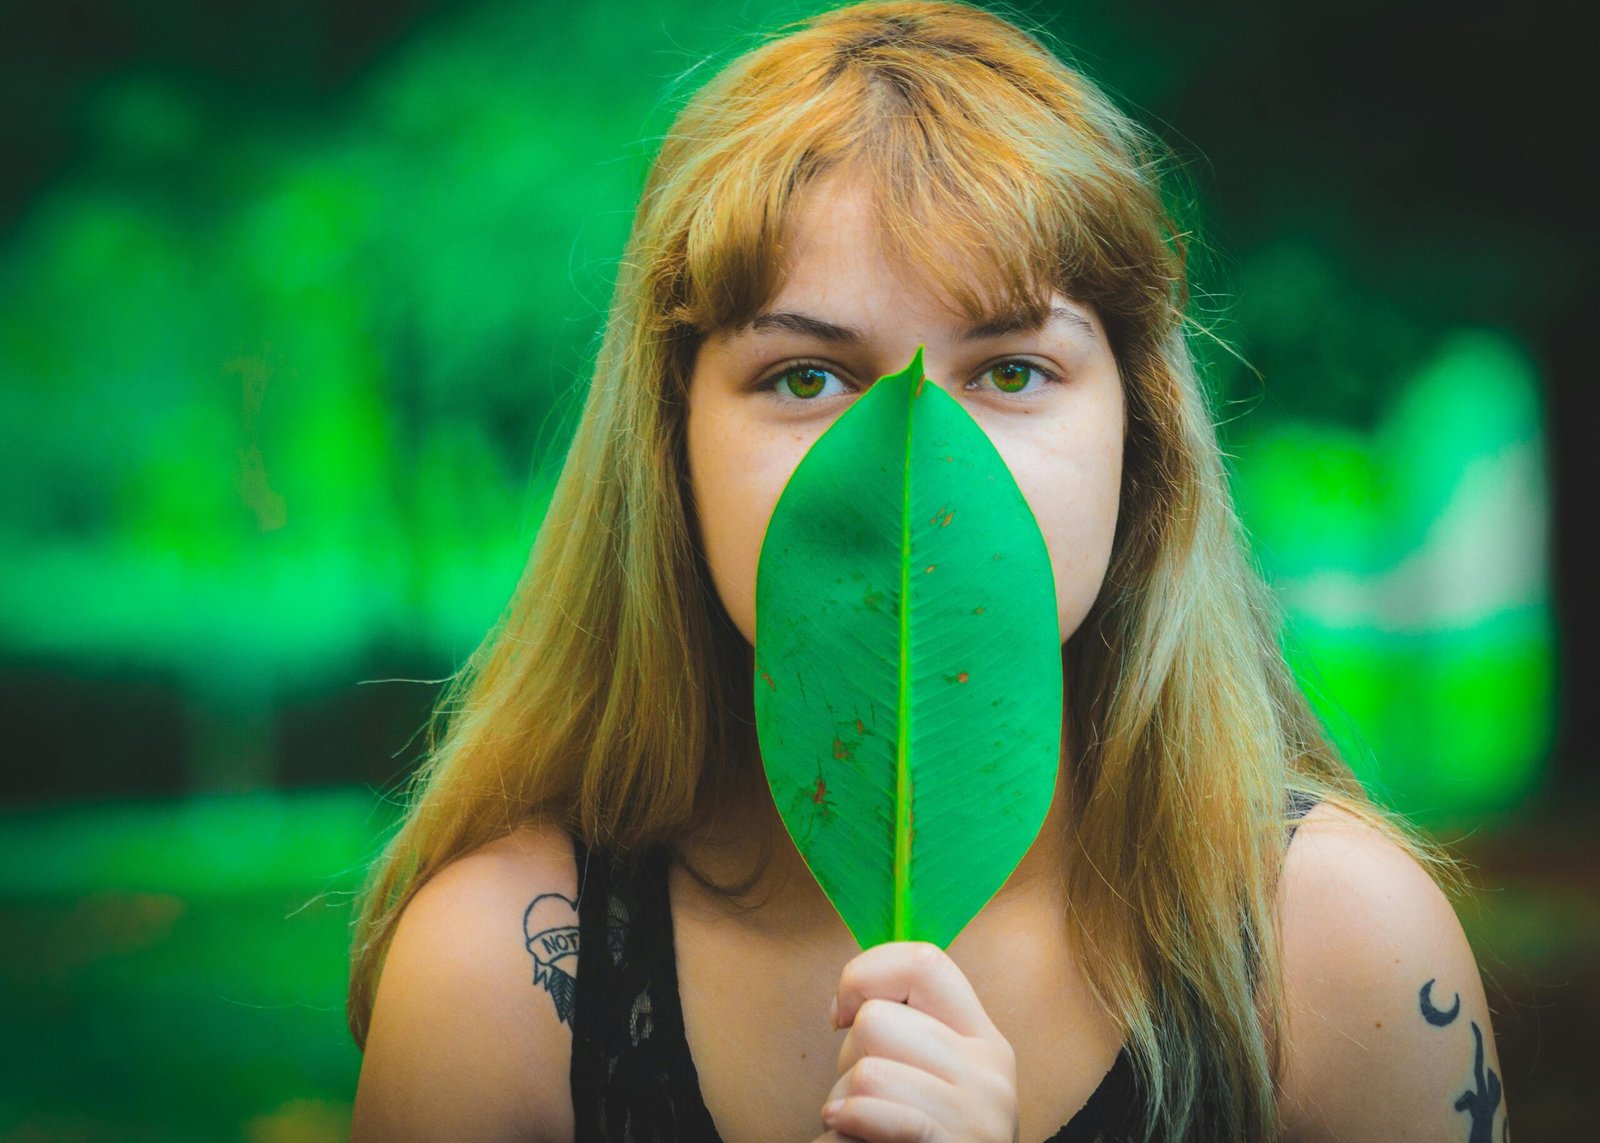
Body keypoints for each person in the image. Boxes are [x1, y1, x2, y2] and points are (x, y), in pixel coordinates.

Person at [346, 2, 1508, 1140]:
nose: (919, 470)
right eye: (805, 377)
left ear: (1136, 436)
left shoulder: (1341, 951)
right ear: (669, 446)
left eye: (1010, 370)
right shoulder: (496, 978)